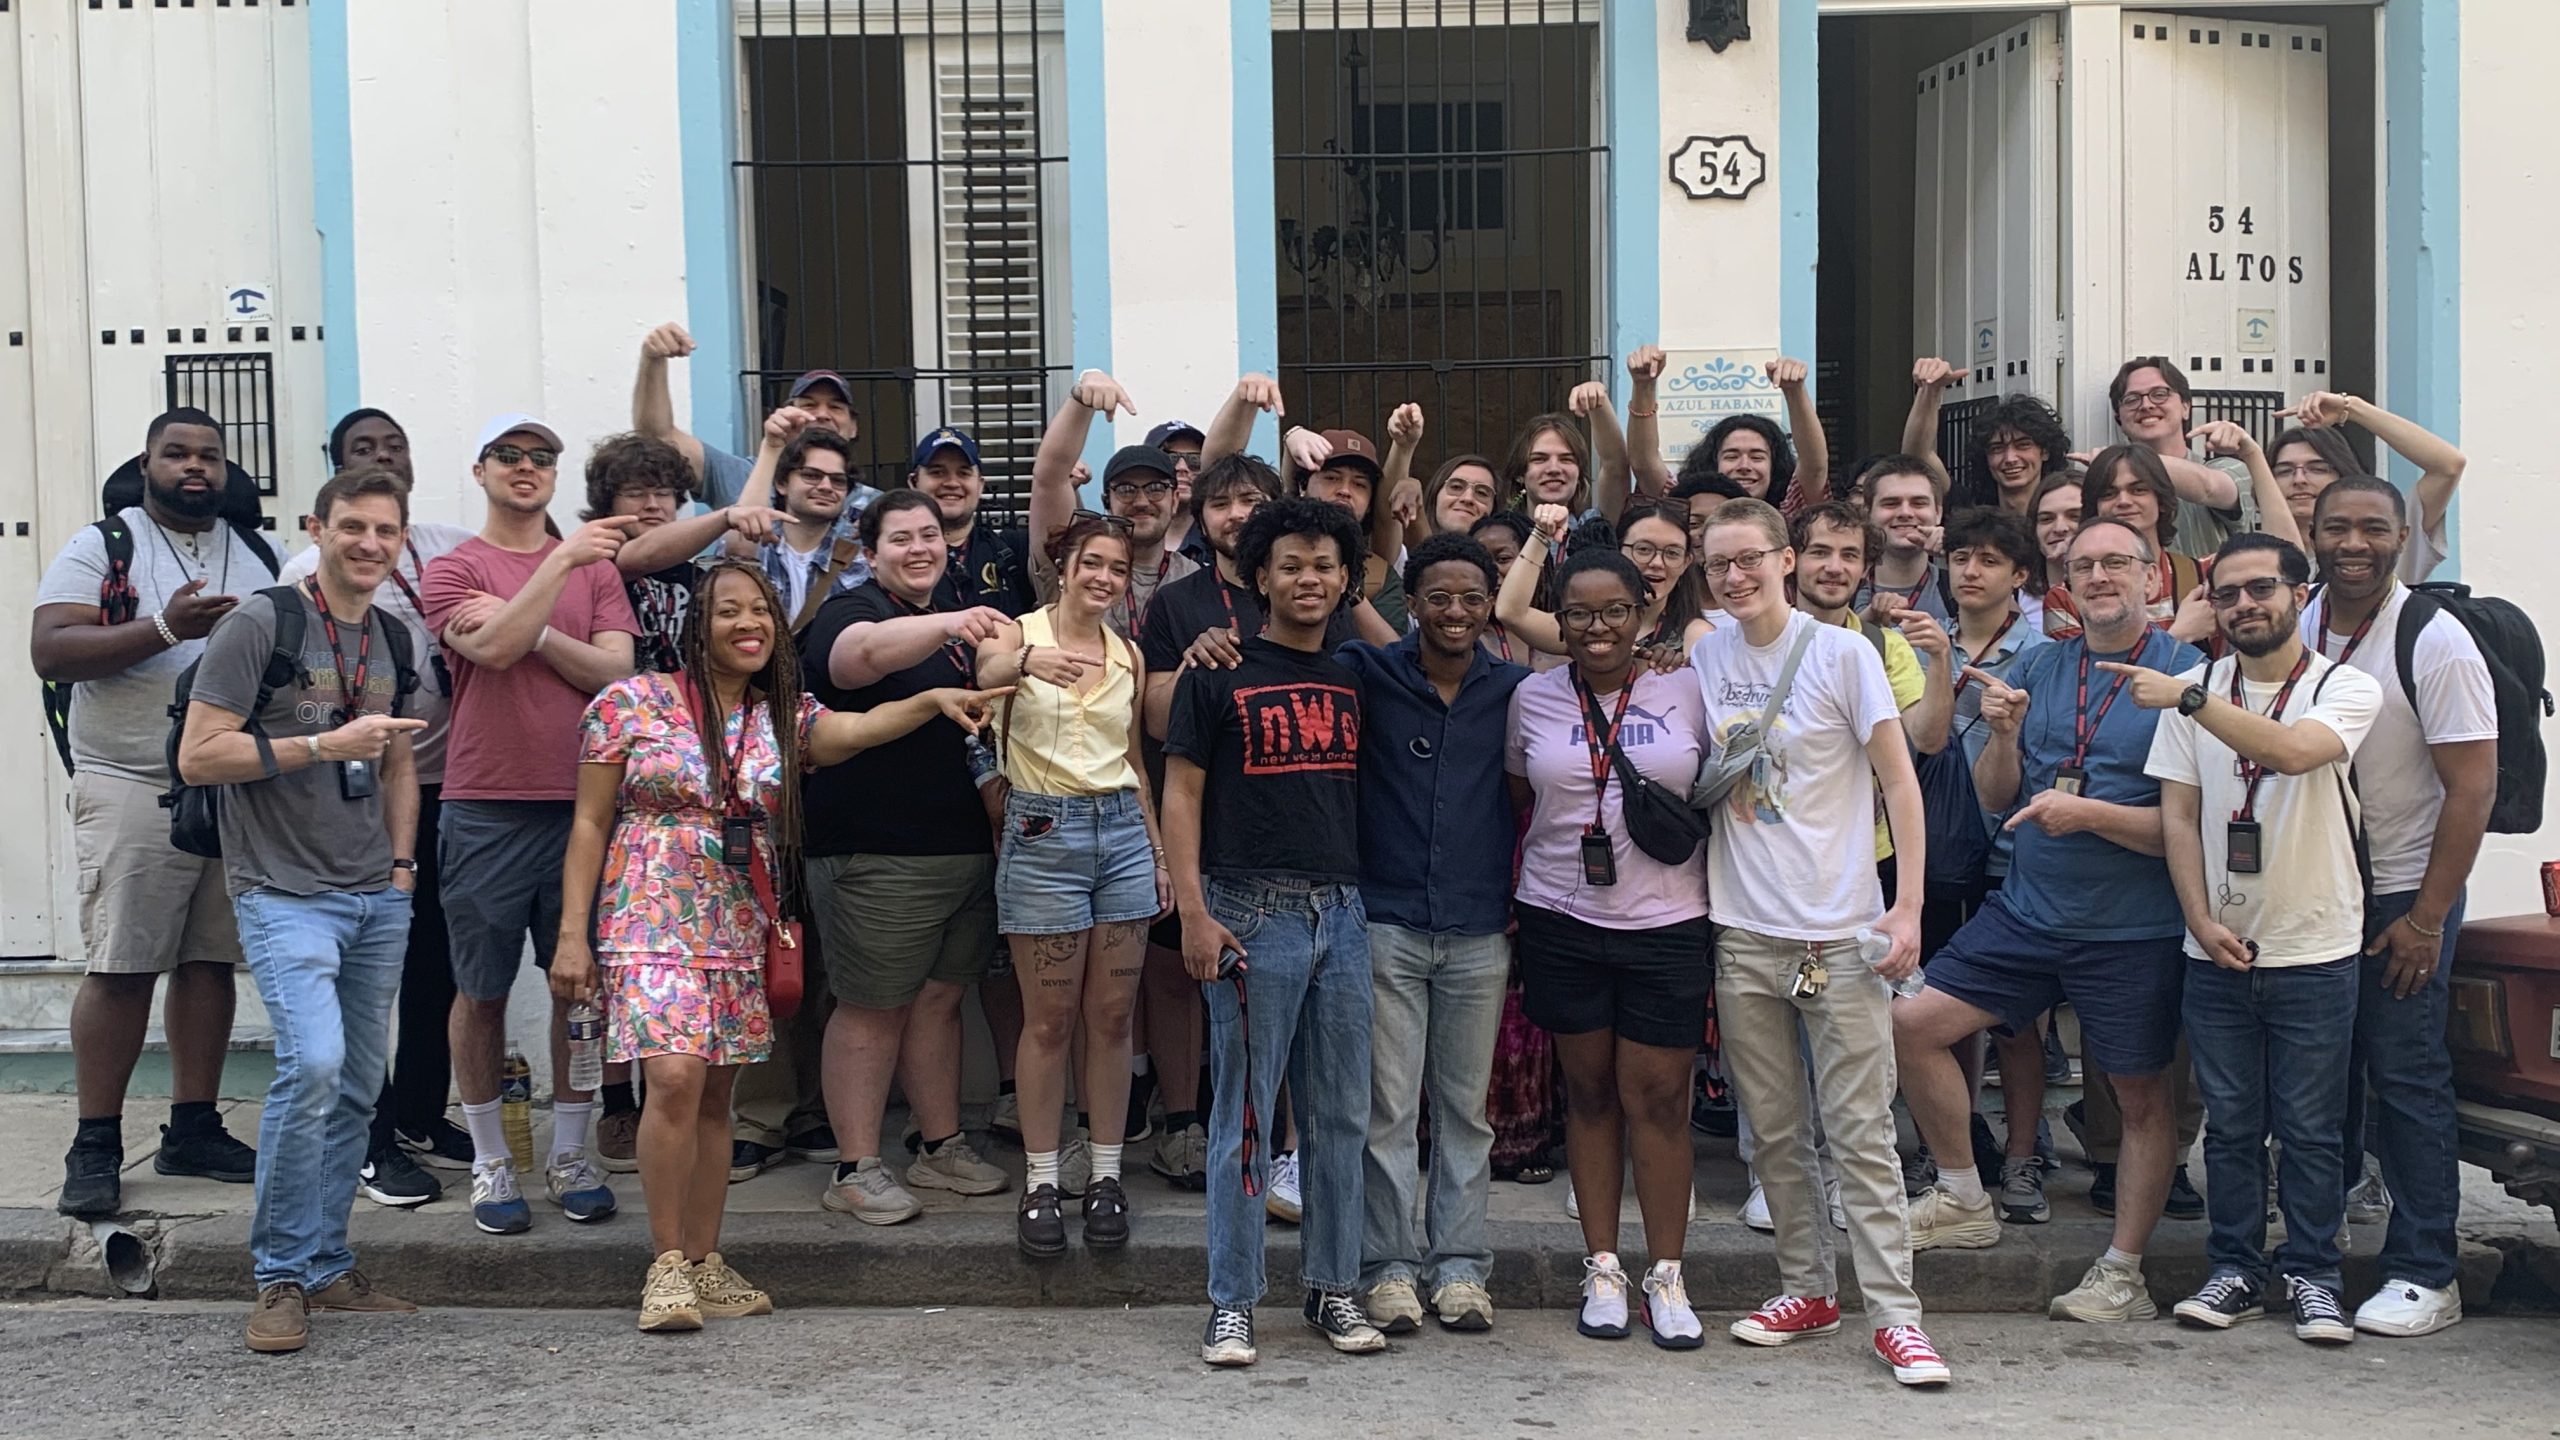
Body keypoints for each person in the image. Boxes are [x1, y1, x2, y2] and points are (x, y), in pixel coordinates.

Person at [555, 561, 999, 1330]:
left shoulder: (779, 719)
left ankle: (705, 1259)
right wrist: (573, 935)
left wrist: (928, 699)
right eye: (728, 611)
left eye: (759, 610)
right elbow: (591, 823)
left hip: (736, 918)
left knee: (717, 1095)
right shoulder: (630, 701)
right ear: (700, 625)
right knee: (672, 1078)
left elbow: (857, 731)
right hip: (646, 915)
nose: (746, 624)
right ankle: (664, 1267)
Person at [1891, 518, 2205, 1320]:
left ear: (2152, 579)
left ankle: (2122, 1272)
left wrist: (2091, 815)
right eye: (2083, 565)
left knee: (2140, 1097)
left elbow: (2192, 828)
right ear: (2062, 582)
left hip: (2132, 929)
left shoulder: (2189, 673)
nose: (2099, 576)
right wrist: (2000, 737)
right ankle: (1963, 1197)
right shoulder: (2042, 663)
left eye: (2117, 564)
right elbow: (2001, 796)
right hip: (2028, 911)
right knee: (1913, 1022)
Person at [1689, 498, 1948, 1387]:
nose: (1734, 577)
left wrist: (1905, 908)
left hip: (1838, 934)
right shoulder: (1705, 652)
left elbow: (1900, 785)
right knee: (1774, 1130)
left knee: (1862, 1133)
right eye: (1717, 563)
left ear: (1786, 559)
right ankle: (1807, 1287)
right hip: (1744, 934)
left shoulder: (1843, 653)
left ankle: (1898, 1317)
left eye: (1749, 559)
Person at [2100, 533, 2382, 1342]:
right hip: (2217, 946)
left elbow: (2294, 753)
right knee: (2228, 1123)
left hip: (2316, 945)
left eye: (2262, 589)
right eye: (2227, 594)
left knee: (2310, 1126)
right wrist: (2198, 919)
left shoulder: (2341, 687)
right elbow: (2179, 817)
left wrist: (2190, 700)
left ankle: (2315, 1273)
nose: (2245, 605)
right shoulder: (2196, 685)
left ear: (2301, 595)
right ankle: (2233, 1270)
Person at [176, 468, 427, 1352]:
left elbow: (399, 763)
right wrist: (321, 743)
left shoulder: (396, 637)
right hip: (284, 892)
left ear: (401, 541)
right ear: (316, 528)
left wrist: (402, 870)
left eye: (385, 531)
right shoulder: (263, 620)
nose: (368, 544)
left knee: (359, 1085)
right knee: (313, 1066)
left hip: (374, 895)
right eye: (352, 527)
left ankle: (326, 1267)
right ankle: (278, 1276)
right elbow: (199, 757)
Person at [34, 408, 272, 1219]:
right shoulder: (106, 543)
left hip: (225, 786)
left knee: (208, 962)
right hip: (129, 778)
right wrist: (165, 625)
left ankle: (193, 1127)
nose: (195, 467)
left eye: (209, 455)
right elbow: (51, 649)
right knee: (124, 962)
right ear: (148, 466)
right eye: (178, 454)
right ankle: (95, 1139)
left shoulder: (255, 549)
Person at [1164, 496, 1381, 1366]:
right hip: (1250, 911)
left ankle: (1333, 1289)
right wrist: (1193, 911)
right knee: (1244, 1120)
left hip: (1344, 912)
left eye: (1326, 565)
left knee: (1340, 1120)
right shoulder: (1214, 672)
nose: (1309, 579)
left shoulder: (1358, 674)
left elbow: (1420, 652)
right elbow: (1181, 794)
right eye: (1291, 564)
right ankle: (1233, 1300)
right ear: (1258, 575)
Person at [421, 415, 641, 1236]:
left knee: (579, 989)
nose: (526, 467)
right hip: (483, 806)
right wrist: (555, 573)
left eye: (542, 457)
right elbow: (493, 652)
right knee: (478, 990)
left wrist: (539, 617)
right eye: (509, 455)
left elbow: (614, 670)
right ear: (480, 470)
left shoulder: (593, 569)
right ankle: (489, 1161)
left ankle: (572, 1153)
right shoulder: (455, 568)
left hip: (585, 805)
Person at [2300, 476, 2496, 1336]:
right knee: (2327, 1070)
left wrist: (2425, 917)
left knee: (2406, 1071)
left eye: (2373, 528)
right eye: (2336, 526)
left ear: (2400, 535)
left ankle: (2426, 1269)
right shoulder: (2297, 616)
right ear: (2310, 533)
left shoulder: (2436, 639)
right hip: (2318, 885)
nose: (2354, 543)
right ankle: (2321, 1241)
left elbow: (2473, 790)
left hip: (2404, 891)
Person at [1504, 546, 1713, 1348]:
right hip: (1561, 917)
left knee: (1657, 1099)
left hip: (1667, 921)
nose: (1597, 629)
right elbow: (1525, 792)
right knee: (1588, 1096)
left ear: (1645, 616)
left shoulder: (1685, 687)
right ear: (1559, 621)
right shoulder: (1532, 698)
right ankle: (1602, 1267)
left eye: (1615, 612)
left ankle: (1666, 1274)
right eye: (1580, 614)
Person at [802, 489, 1012, 1222]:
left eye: (929, 535)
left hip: (958, 848)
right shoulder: (855, 610)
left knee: (940, 1001)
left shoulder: (949, 628)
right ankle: (855, 1167)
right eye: (900, 538)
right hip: (875, 852)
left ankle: (939, 1145)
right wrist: (950, 620)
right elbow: (853, 664)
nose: (919, 547)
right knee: (871, 1009)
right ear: (870, 552)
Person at [1339, 533, 1530, 1335]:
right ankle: (1387, 1268)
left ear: (1492, 608)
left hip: (1479, 925)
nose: (1456, 613)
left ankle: (1458, 1268)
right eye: (1439, 598)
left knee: (1464, 1110)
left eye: (1472, 599)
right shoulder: (1368, 673)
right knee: (1386, 1109)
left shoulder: (1515, 689)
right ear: (1410, 605)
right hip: (1386, 920)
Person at [285, 413, 478, 1204]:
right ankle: (363, 1143)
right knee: (364, 977)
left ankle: (419, 1114)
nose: (382, 458)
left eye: (393, 447)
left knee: (436, 962)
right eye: (363, 451)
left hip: (440, 785)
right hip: (345, 791)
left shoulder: (445, 543)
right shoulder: (303, 569)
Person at [973, 514, 1168, 1257]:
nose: (1105, 578)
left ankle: (1108, 1175)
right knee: (1048, 1019)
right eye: (1093, 563)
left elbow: (1133, 760)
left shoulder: (1128, 654)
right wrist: (1025, 665)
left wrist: (1153, 850)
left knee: (1113, 1015)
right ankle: (1042, 1180)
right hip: (1042, 832)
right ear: (1063, 565)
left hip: (1119, 828)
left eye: (1118, 568)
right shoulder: (1014, 633)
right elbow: (983, 682)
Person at [1926, 507, 2054, 1222]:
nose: (1970, 572)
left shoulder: (2042, 655)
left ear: (2019, 576)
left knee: (2016, 1025)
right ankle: (1947, 1148)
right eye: (1961, 557)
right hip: (1939, 858)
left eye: (1989, 561)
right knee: (1934, 1010)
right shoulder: (1923, 644)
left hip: (2010, 857)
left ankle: (2023, 1158)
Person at [1027, 372, 1200, 638]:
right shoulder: (1075, 561)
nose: (1141, 502)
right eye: (1126, 490)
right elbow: (1049, 479)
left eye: (1156, 489)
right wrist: (1080, 401)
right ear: (1107, 501)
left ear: (1175, 500)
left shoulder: (1194, 577)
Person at [630, 320, 859, 507]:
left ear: (854, 427)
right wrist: (653, 360)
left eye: (835, 407)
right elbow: (658, 440)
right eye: (808, 405)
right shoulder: (740, 474)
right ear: (785, 415)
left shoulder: (872, 505)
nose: (821, 414)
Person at [2271, 392, 2467, 582]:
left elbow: (2448, 467)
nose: (2299, 479)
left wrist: (2351, 407)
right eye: (2284, 471)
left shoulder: (2382, 538)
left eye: (2317, 469)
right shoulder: (2253, 554)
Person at [1494, 497, 1712, 662]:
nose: (1657, 562)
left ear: (1686, 562)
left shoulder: (1696, 635)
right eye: (1643, 549)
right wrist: (1542, 534)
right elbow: (1510, 611)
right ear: (1618, 551)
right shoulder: (1587, 625)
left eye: (1672, 553)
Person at [2103, 356, 2275, 556]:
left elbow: (2208, 488)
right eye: (2132, 400)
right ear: (2120, 419)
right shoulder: (2106, 483)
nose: (2146, 405)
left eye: (2160, 394)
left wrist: (2123, 460)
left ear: (2186, 407)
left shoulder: (2229, 469)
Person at [1641, 357, 1829, 515]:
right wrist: (1643, 385)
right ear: (1712, 464)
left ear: (1775, 468)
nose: (1744, 466)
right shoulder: (1684, 511)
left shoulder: (1786, 516)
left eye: (1757, 457)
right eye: (1731, 456)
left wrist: (1794, 391)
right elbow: (1645, 464)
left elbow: (1815, 467)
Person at [1899, 360, 2072, 514]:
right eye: (1997, 448)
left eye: (2023, 445)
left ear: (2045, 451)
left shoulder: (2067, 515)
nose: (2010, 458)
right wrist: (1931, 388)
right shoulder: (1971, 511)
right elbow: (1917, 459)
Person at [913, 427, 1034, 615]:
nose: (952, 483)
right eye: (937, 472)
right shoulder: (900, 560)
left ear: (980, 485)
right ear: (913, 483)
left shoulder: (1013, 549)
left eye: (963, 473)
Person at [1852, 455, 1955, 628]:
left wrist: (1956, 555)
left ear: (1938, 513)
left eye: (1918, 503)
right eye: (1891, 503)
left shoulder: (1959, 589)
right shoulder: (1843, 588)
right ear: (1868, 513)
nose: (1905, 513)